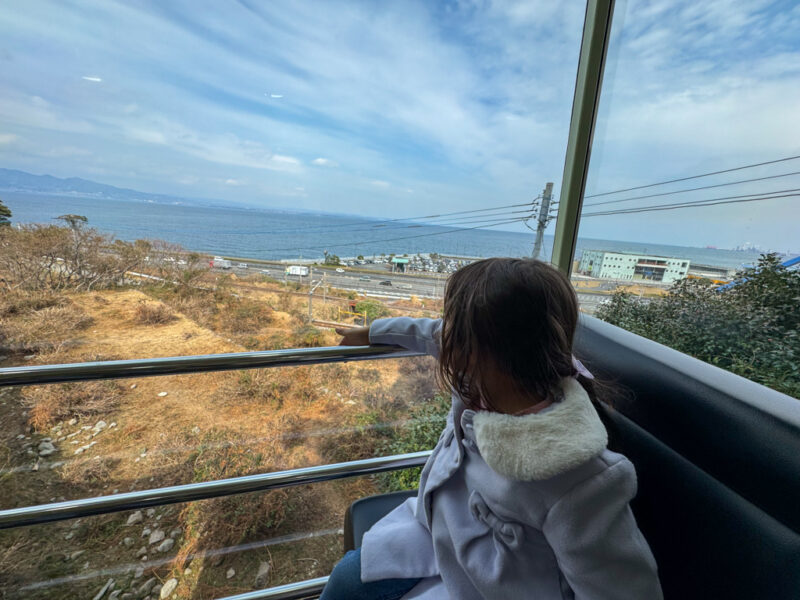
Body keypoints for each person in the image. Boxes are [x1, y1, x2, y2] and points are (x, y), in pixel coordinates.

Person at [320, 258, 662, 600]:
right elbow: (434, 333)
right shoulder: (492, 373)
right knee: (344, 581)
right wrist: (373, 332)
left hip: (490, 587)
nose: (445, 336)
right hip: (434, 534)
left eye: (456, 327)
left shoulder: (581, 479)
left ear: (477, 348)